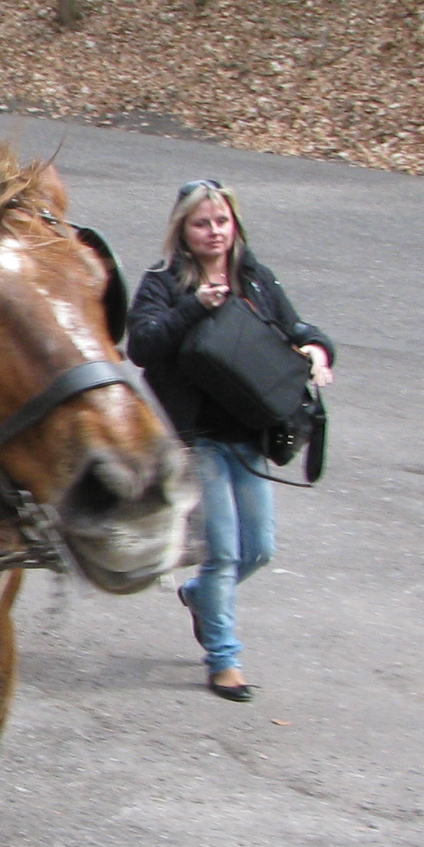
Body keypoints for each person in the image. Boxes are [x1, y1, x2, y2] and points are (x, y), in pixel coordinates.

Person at [124, 180, 334, 703]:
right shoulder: (162, 282)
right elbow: (143, 346)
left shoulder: (255, 278)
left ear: (234, 223)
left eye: (221, 221)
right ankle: (224, 659)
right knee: (221, 552)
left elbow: (296, 328)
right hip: (197, 438)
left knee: (258, 549)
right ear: (183, 230)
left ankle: (198, 598)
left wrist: (317, 351)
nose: (214, 232)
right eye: (201, 223)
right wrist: (195, 305)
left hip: (248, 432)